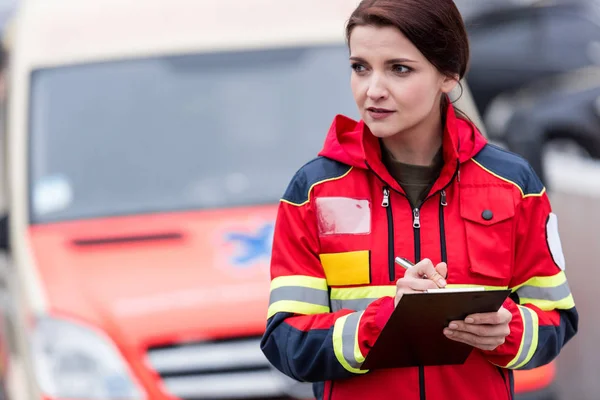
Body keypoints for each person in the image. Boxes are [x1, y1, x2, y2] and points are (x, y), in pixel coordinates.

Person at [260, 0, 579, 399]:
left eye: (399, 69)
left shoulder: (513, 184)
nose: (373, 90)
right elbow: (287, 345)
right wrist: (381, 322)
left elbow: (557, 321)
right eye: (360, 67)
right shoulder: (313, 191)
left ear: (448, 74)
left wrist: (508, 330)